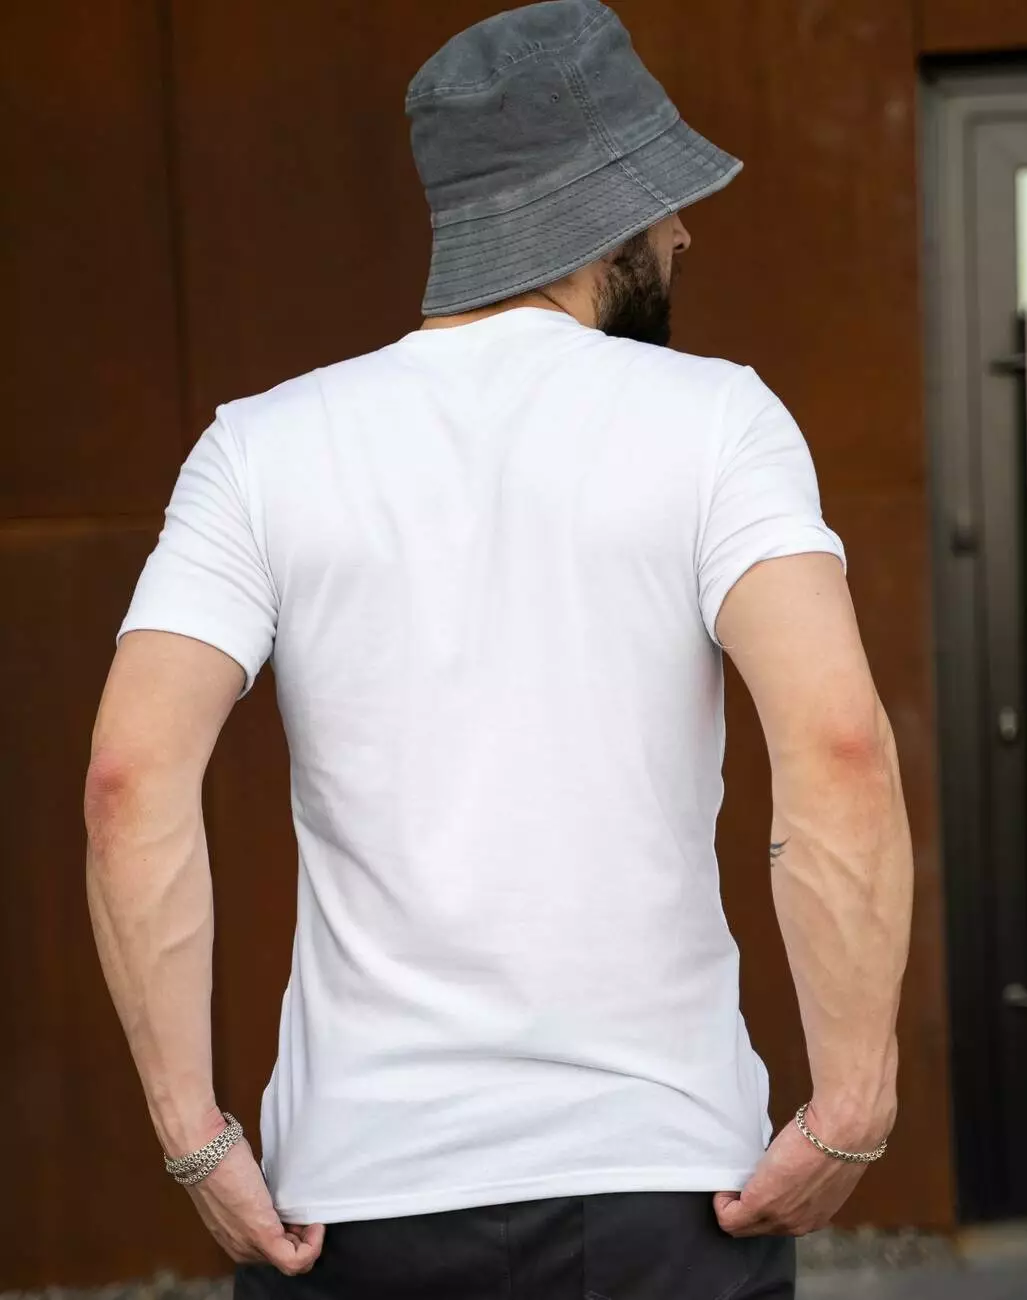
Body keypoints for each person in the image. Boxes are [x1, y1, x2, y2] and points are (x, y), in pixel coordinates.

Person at [84, 2, 913, 1297]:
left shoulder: (260, 447)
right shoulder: (719, 422)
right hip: (662, 1182)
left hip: (357, 1198)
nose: (684, 232)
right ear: (603, 218)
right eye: (664, 201)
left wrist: (192, 1137)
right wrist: (852, 1102)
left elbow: (128, 782)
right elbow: (841, 748)